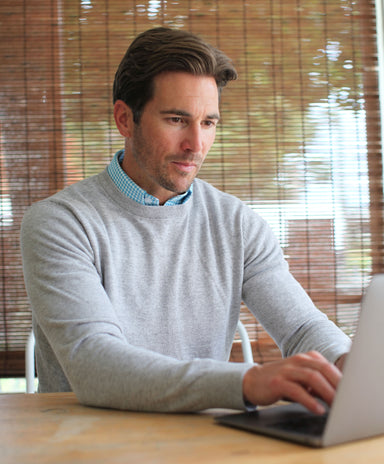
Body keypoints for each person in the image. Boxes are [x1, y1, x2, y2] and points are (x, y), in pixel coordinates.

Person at [21, 27, 351, 414]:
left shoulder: (237, 224)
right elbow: (95, 364)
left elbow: (302, 329)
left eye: (208, 123)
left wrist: (350, 367)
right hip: (90, 447)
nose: (196, 144)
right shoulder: (60, 223)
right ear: (125, 119)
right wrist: (246, 381)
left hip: (202, 443)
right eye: (177, 119)